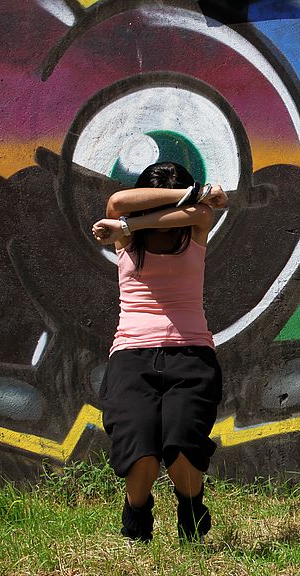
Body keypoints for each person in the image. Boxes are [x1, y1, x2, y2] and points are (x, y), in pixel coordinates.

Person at [91, 161, 228, 544]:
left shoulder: (196, 225)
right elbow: (118, 200)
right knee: (142, 452)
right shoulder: (125, 235)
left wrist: (133, 223)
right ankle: (136, 513)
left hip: (192, 352)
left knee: (182, 446)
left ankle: (190, 510)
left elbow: (203, 209)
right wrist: (193, 192)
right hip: (131, 354)